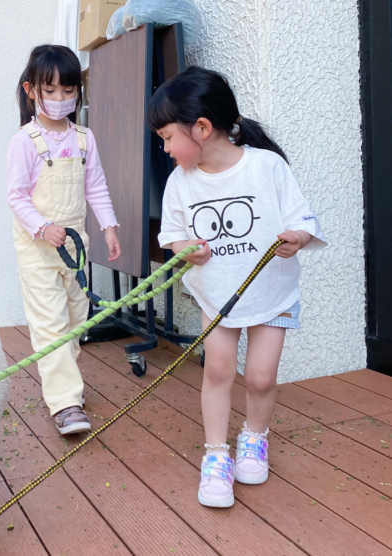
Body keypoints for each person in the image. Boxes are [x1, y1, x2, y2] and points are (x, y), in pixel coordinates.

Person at [150, 66, 326, 507]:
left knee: (262, 378)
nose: (166, 149)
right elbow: (170, 234)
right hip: (218, 294)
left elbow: (302, 219)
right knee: (218, 371)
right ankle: (215, 456)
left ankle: (254, 437)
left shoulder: (267, 166)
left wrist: (297, 238)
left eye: (169, 137)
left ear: (202, 128)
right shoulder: (180, 183)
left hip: (272, 294)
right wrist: (182, 247)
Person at [7, 45, 121, 436]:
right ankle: (66, 402)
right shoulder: (25, 141)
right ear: (32, 90)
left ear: (78, 92)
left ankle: (64, 383)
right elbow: (16, 196)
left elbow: (97, 188)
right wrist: (41, 226)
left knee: (76, 319)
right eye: (50, 91)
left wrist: (108, 226)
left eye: (67, 91)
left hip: (75, 245)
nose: (60, 99)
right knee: (51, 325)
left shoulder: (84, 138)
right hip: (38, 248)